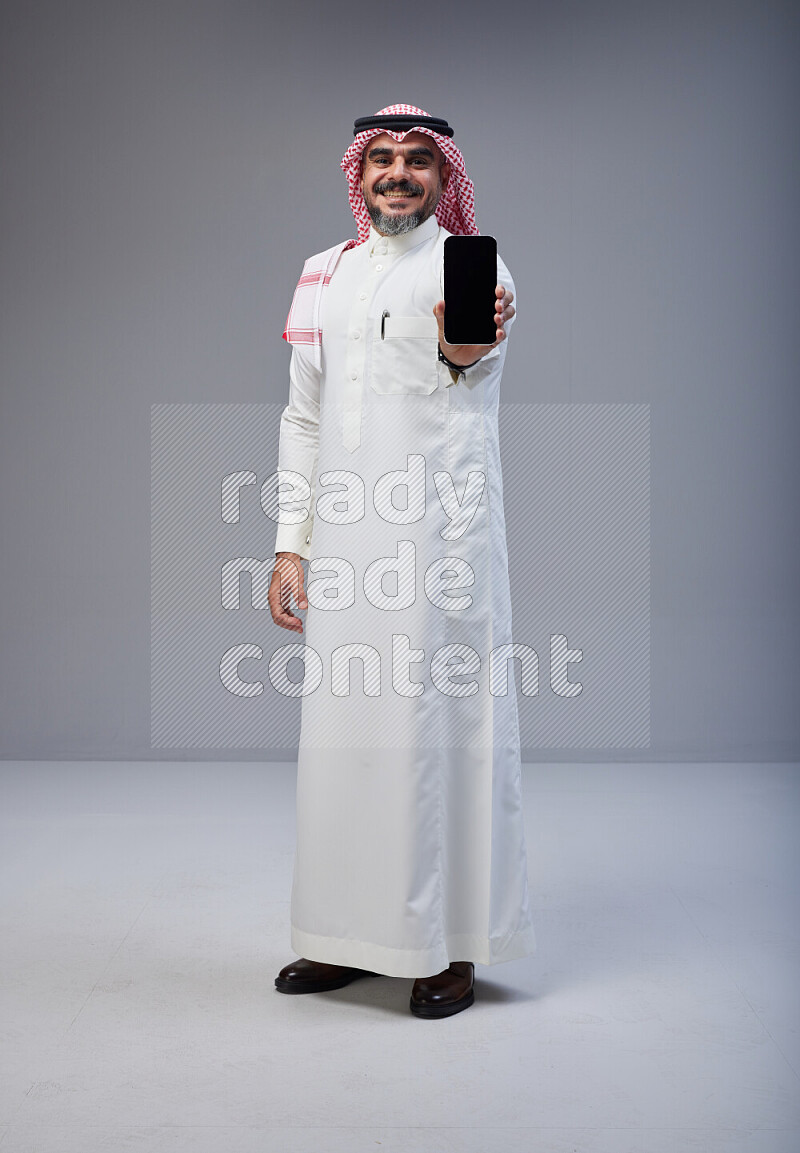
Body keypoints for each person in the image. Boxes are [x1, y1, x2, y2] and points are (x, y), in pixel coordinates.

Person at [268, 104, 535, 1018]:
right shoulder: (319, 276)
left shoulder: (473, 266)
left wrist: (465, 350)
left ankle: (449, 946)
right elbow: (303, 416)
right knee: (345, 741)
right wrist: (289, 544)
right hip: (347, 546)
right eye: (381, 158)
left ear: (441, 175)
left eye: (419, 161)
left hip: (439, 542)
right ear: (359, 171)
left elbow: (474, 365)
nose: (398, 174)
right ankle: (348, 936)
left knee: (437, 737)